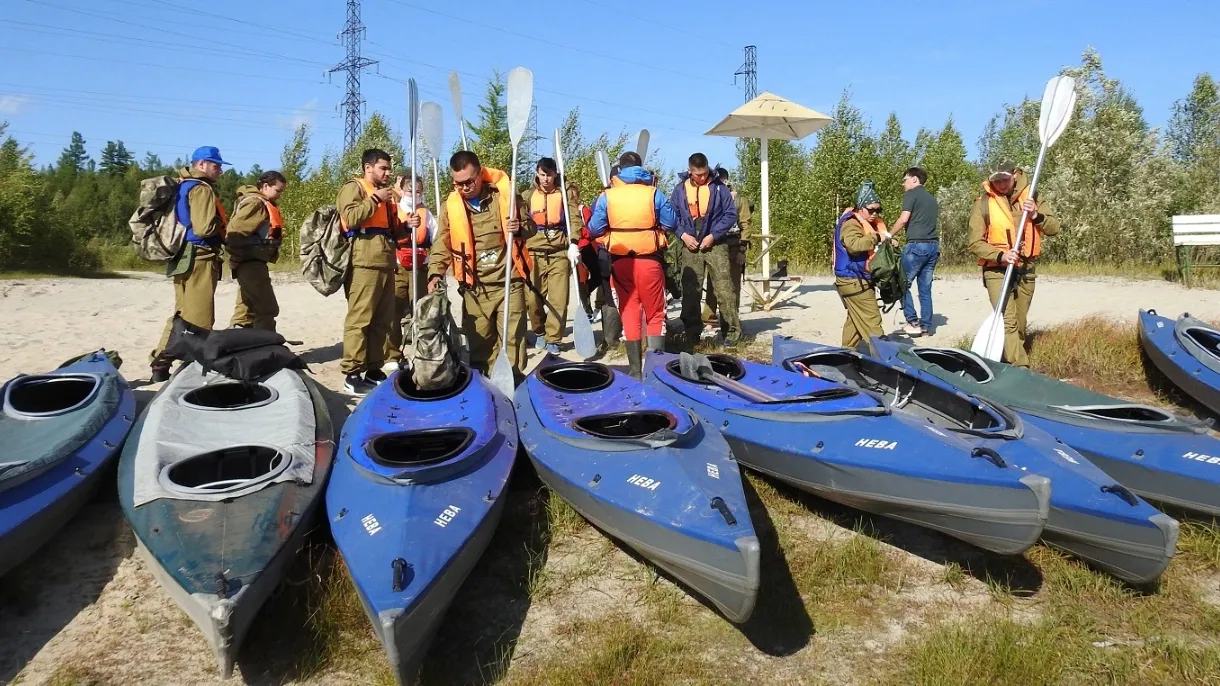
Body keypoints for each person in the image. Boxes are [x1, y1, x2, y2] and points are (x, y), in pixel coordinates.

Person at [427, 151, 535, 381]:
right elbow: (442, 243)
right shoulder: (451, 206)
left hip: (509, 282)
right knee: (480, 343)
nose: (464, 188)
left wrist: (520, 227)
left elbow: (531, 228)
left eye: (469, 182)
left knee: (512, 338)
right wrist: (435, 273)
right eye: (458, 183)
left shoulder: (504, 197)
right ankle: (486, 383)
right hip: (475, 288)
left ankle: (513, 381)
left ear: (480, 174)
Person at [586, 152, 678, 379]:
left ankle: (636, 372)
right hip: (650, 261)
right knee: (655, 313)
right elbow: (672, 222)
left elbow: (594, 229)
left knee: (629, 313)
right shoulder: (654, 192)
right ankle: (656, 373)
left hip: (621, 263)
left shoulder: (607, 196)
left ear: (620, 169)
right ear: (640, 168)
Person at [336, 148, 420, 395]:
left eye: (388, 168)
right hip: (363, 261)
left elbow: (393, 231)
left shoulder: (388, 197)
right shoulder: (355, 188)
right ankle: (352, 373)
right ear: (368, 167)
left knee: (382, 320)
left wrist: (407, 226)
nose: (387, 173)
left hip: (385, 262)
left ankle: (373, 368)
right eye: (383, 168)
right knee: (360, 318)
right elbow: (350, 218)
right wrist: (375, 199)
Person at [968, 161, 1061, 368]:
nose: (1001, 184)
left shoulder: (1032, 197)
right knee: (1007, 321)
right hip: (996, 269)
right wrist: (1000, 256)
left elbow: (1054, 228)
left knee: (1019, 323)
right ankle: (1021, 368)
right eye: (996, 180)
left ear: (1016, 175)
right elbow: (974, 243)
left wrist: (1036, 215)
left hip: (1026, 268)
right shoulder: (983, 203)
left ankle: (1007, 360)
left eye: (1005, 180)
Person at [149, 146, 230, 382]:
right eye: (216, 165)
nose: (220, 170)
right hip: (200, 256)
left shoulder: (182, 185)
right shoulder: (202, 189)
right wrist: (224, 229)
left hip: (182, 255)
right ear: (201, 164)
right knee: (200, 317)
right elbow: (204, 227)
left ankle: (160, 364)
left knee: (181, 313)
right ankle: (196, 369)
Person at [670, 153, 740, 347]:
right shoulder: (679, 190)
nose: (702, 177)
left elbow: (730, 214)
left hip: (716, 244)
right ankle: (692, 333)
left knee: (724, 289)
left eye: (704, 173)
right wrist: (683, 235)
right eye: (697, 174)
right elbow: (671, 216)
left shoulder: (719, 187)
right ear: (690, 170)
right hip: (690, 245)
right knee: (691, 291)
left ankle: (731, 333)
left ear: (708, 168)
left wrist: (713, 235)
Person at [522, 157, 583, 355]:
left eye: (549, 174)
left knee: (559, 298)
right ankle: (539, 331)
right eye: (542, 174)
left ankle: (554, 337)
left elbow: (574, 220)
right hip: (534, 253)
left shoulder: (566, 194)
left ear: (555, 174)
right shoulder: (527, 196)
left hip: (559, 252)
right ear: (537, 174)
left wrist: (574, 243)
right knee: (532, 299)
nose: (546, 179)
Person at [384, 172, 438, 368]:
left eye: (419, 191)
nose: (414, 194)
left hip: (420, 266)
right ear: (402, 190)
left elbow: (437, 237)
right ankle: (392, 354)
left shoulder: (426, 213)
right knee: (394, 311)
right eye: (410, 191)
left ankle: (423, 351)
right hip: (398, 266)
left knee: (422, 311)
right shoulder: (394, 210)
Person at [228, 170, 287, 333]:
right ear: (266, 186)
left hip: (253, 263)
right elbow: (234, 233)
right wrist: (236, 257)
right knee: (266, 308)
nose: (279, 196)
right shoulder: (256, 203)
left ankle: (237, 343)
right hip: (250, 263)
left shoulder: (260, 203)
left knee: (246, 310)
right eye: (278, 191)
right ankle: (266, 346)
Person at [833, 181, 888, 348]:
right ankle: (886, 363)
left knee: (855, 324)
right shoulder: (851, 223)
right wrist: (877, 237)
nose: (874, 213)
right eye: (871, 209)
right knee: (873, 323)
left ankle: (845, 356)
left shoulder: (865, 223)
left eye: (878, 210)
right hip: (854, 281)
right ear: (860, 207)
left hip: (852, 281)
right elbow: (854, 245)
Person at [889, 166, 940, 337]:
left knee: (901, 284)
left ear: (914, 180)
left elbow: (904, 220)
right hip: (933, 247)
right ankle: (926, 327)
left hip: (916, 247)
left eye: (905, 180)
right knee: (925, 288)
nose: (903, 184)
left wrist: (888, 235)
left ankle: (913, 322)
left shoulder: (911, 194)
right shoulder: (931, 199)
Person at [703, 167, 752, 334]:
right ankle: (709, 320)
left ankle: (732, 320)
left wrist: (742, 250)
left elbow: (746, 224)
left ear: (725, 180)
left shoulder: (739, 199)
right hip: (715, 246)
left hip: (733, 246)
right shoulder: (711, 196)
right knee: (712, 284)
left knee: (732, 285)